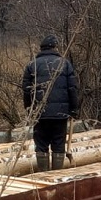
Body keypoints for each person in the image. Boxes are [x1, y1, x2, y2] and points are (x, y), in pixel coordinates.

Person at [22, 35, 79, 172]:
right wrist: (74, 109)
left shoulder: (31, 65)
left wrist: (29, 110)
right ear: (55, 47)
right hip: (60, 114)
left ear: (41, 49)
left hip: (39, 114)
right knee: (58, 145)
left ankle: (44, 175)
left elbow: (26, 91)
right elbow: (72, 88)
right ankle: (56, 177)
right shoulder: (64, 63)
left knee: (41, 145)